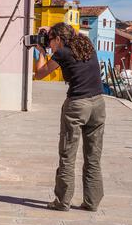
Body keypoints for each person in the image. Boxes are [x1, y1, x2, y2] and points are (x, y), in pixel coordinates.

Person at [34, 22, 106, 212]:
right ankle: (92, 202)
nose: (50, 44)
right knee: (93, 156)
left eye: (51, 40)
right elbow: (69, 32)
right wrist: (50, 30)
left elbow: (40, 74)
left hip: (77, 105)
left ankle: (63, 201)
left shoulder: (62, 53)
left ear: (58, 39)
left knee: (67, 154)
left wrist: (41, 52)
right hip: (98, 104)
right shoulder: (86, 43)